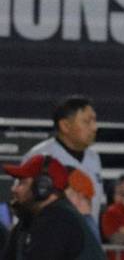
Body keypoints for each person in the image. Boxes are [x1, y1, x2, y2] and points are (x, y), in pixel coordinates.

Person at [1, 155, 105, 260]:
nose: (14, 189)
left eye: (22, 183)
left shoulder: (58, 220)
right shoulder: (28, 221)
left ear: (42, 187)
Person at [23, 96, 105, 225]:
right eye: (87, 121)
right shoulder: (39, 157)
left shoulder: (94, 157)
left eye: (95, 121)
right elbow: (23, 202)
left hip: (87, 234)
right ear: (65, 126)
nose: (95, 127)